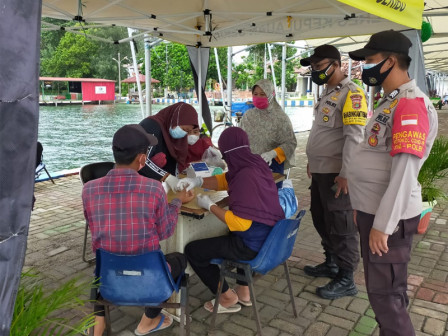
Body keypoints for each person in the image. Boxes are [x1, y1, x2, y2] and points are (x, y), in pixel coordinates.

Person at [347, 30, 438, 336]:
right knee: (390, 290)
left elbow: (404, 172)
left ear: (390, 61)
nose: (364, 68)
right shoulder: (393, 100)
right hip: (376, 212)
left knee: (384, 295)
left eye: (370, 61)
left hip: (389, 219)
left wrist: (382, 224)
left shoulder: (410, 104)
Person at [82, 124, 194, 336]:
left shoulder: (88, 190)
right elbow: (165, 231)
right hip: (150, 280)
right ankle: (148, 321)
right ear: (142, 159)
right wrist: (177, 202)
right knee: (179, 260)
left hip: (109, 279)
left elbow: (93, 224)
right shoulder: (153, 189)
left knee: (103, 263)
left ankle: (97, 327)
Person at [177, 127, 285, 313]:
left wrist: (210, 205)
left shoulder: (245, 176)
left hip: (253, 245)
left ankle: (227, 297)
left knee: (193, 251)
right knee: (227, 234)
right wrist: (199, 182)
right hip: (271, 238)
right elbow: (227, 179)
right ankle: (244, 292)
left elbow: (240, 224)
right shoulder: (255, 163)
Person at [300, 44, 368, 299]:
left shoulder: (352, 94)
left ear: (336, 65)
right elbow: (322, 132)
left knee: (341, 224)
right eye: (313, 67)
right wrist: (312, 160)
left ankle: (347, 277)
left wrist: (346, 173)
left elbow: (354, 137)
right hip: (320, 171)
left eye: (319, 66)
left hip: (337, 174)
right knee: (321, 218)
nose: (316, 71)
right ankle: (331, 262)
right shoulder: (327, 92)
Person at [240, 79, 297, 182]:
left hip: (272, 166)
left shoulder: (280, 118)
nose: (258, 97)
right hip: (248, 166)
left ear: (271, 94)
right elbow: (239, 138)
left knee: (269, 197)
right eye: (255, 94)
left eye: (263, 94)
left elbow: (291, 143)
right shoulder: (248, 115)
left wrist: (273, 153)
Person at [139, 102, 198, 191]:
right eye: (183, 129)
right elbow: (141, 159)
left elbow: (175, 161)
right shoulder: (151, 126)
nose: (184, 133)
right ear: (174, 121)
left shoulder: (175, 136)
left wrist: (177, 182)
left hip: (160, 187)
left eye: (187, 131)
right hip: (141, 184)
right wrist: (167, 177)